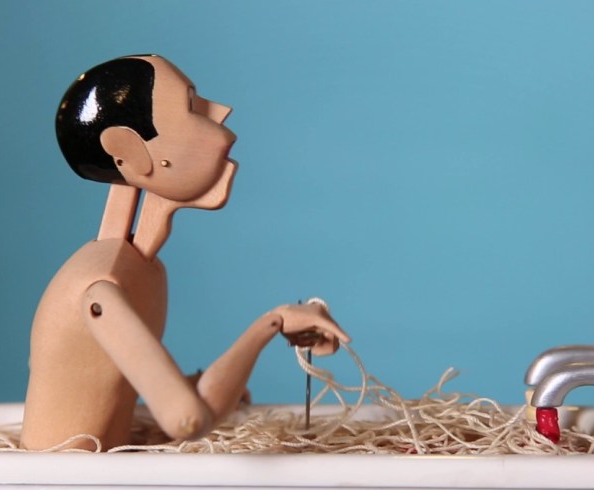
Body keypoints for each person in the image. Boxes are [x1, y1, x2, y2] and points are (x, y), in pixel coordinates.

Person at [21, 55, 349, 450]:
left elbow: (109, 382)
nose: (221, 112)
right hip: (61, 484)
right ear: (131, 151)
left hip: (103, 472)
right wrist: (274, 322)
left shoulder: (140, 267)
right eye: (192, 106)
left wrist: (200, 384)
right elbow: (186, 418)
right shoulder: (102, 286)